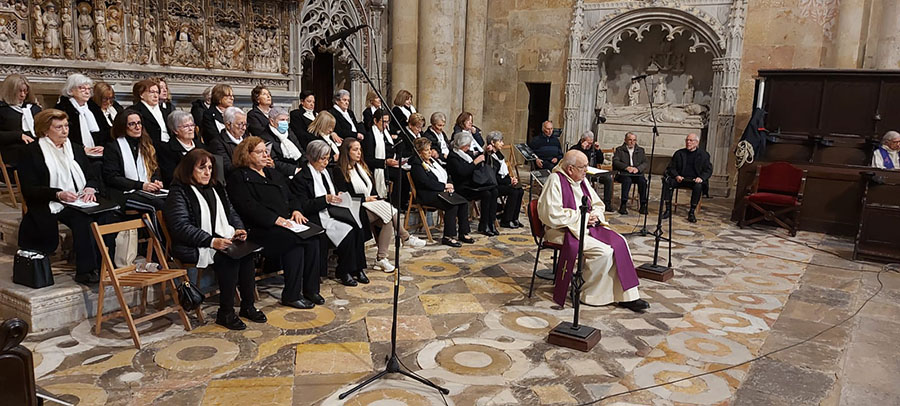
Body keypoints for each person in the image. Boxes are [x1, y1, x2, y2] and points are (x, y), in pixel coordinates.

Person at [164, 149, 264, 330]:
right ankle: (225, 313)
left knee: (246, 254)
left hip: (220, 239)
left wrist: (238, 229)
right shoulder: (178, 192)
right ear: (188, 169)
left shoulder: (216, 187)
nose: (207, 172)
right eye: (202, 168)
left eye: (210, 168)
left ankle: (248, 306)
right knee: (229, 258)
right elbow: (181, 227)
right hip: (192, 246)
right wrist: (211, 241)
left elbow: (231, 213)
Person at [538, 150, 648, 312]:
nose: (586, 170)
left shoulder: (582, 180)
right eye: (582, 167)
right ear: (570, 169)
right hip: (562, 230)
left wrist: (594, 215)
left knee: (620, 243)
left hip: (585, 226)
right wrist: (582, 217)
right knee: (603, 252)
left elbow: (597, 204)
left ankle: (626, 296)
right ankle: (587, 293)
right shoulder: (555, 180)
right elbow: (550, 213)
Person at [227, 136, 323, 309]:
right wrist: (275, 219)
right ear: (247, 155)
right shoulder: (238, 177)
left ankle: (311, 290)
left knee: (313, 238)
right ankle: (292, 295)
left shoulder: (272, 173)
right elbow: (248, 207)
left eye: (266, 151)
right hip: (260, 227)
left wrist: (296, 210)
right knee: (294, 242)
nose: (266, 155)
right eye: (260, 152)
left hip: (285, 222)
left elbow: (291, 196)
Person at [18, 109, 111, 285]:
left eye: (66, 126)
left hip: (79, 199)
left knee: (107, 215)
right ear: (45, 130)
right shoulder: (31, 152)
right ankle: (86, 271)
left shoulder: (75, 148)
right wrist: (58, 194)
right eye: (59, 127)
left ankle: (105, 264)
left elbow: (91, 176)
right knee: (83, 221)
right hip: (49, 202)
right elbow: (29, 189)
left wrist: (90, 188)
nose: (64, 131)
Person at [332, 138, 426, 272]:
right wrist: (365, 199)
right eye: (355, 150)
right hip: (354, 208)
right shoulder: (339, 170)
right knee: (389, 213)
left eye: (360, 149)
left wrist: (375, 199)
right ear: (347, 152)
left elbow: (372, 188)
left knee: (387, 219)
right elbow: (343, 195)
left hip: (369, 205)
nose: (359, 153)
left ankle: (381, 258)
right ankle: (405, 238)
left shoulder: (361, 167)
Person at [292, 140, 369, 287]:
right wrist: (325, 199)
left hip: (333, 211)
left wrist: (337, 195)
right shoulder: (301, 178)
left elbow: (332, 191)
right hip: (317, 216)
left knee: (358, 225)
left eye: (327, 158)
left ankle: (358, 268)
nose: (326, 162)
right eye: (323, 159)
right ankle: (344, 270)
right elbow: (304, 205)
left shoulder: (326, 172)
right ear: (313, 157)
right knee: (348, 231)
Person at [410, 137, 473, 247]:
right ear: (419, 152)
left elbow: (445, 174)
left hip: (441, 191)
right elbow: (425, 182)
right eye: (426, 150)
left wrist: (449, 185)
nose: (430, 152)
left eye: (430, 149)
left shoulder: (433, 161)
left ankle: (463, 233)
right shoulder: (417, 165)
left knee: (463, 202)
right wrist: (443, 186)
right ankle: (448, 236)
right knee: (452, 206)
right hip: (428, 194)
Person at [102, 109, 165, 210]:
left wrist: (155, 182)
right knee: (158, 204)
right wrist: (141, 185)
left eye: (139, 123)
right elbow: (112, 177)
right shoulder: (113, 147)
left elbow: (154, 168)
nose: (137, 127)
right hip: (124, 193)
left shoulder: (146, 144)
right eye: (132, 124)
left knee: (172, 201)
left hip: (145, 191)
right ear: (122, 126)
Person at [447, 131, 500, 236]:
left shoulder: (467, 154)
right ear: (461, 145)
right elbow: (463, 172)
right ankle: (484, 224)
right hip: (462, 186)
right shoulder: (453, 157)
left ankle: (490, 222)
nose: (468, 147)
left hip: (472, 183)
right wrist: (475, 162)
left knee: (494, 191)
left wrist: (485, 152)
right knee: (486, 194)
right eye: (467, 145)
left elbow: (478, 163)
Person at [661, 133, 712, 223]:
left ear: (697, 143)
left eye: (691, 140)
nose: (688, 142)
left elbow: (708, 170)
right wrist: (676, 175)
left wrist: (701, 178)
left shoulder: (704, 155)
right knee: (667, 182)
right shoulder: (679, 153)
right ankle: (668, 210)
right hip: (680, 179)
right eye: (687, 140)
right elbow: (671, 168)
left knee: (698, 186)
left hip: (694, 180)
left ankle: (691, 212)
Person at [54, 73, 104, 156]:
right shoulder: (62, 109)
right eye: (82, 88)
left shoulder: (94, 108)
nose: (87, 92)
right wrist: (81, 149)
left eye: (89, 89)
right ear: (70, 90)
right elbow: (60, 136)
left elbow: (105, 131)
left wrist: (102, 146)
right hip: (72, 153)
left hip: (97, 152)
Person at [485, 131, 524, 228]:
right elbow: (494, 177)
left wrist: (511, 179)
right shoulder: (489, 156)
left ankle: (514, 218)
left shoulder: (498, 154)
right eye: (500, 141)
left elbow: (504, 173)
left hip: (503, 182)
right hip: (494, 185)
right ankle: (506, 220)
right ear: (492, 142)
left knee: (520, 190)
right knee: (513, 191)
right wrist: (509, 181)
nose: (502, 143)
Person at [0, 74, 42, 164]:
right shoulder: (2, 109)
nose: (23, 95)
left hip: (34, 147)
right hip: (12, 149)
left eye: (25, 91)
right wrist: (18, 136)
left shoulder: (34, 109)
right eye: (19, 91)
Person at [569, 131, 614, 212]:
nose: (589, 145)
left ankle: (607, 204)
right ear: (582, 140)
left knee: (608, 178)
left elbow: (600, 161)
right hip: (581, 173)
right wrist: (582, 149)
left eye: (591, 143)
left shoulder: (593, 148)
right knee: (584, 180)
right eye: (588, 143)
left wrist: (598, 150)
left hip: (593, 173)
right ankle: (585, 202)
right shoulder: (575, 149)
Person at [159, 110, 205, 186]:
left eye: (192, 125)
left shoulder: (201, 147)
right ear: (175, 130)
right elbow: (170, 176)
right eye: (186, 126)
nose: (191, 129)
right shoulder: (167, 150)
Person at [361, 108, 398, 199]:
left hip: (388, 165)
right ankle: (393, 201)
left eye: (387, 122)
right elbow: (368, 160)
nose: (386, 125)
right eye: (383, 122)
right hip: (378, 167)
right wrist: (385, 162)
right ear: (375, 121)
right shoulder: (370, 136)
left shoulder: (385, 134)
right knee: (401, 175)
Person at [260, 106, 305, 176]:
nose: (285, 122)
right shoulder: (265, 137)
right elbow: (273, 161)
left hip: (298, 168)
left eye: (287, 120)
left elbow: (300, 149)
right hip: (281, 173)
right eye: (282, 120)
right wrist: (294, 170)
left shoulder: (289, 132)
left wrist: (305, 165)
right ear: (272, 121)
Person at [612, 131, 649, 215]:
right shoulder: (619, 150)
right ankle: (623, 204)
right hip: (623, 173)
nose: (632, 142)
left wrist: (638, 169)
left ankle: (643, 204)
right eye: (630, 140)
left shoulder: (640, 150)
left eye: (634, 140)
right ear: (625, 140)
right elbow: (616, 161)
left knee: (643, 181)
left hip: (636, 173)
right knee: (627, 181)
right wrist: (626, 167)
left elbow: (645, 162)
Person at [208, 106, 247, 175]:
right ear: (228, 125)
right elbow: (227, 168)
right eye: (240, 124)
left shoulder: (247, 139)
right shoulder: (217, 143)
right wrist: (250, 163)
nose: (244, 128)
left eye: (245, 124)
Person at [130, 79, 170, 147]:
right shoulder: (134, 111)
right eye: (152, 92)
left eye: (157, 92)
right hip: (148, 147)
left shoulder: (165, 111)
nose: (155, 96)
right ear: (141, 94)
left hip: (168, 146)